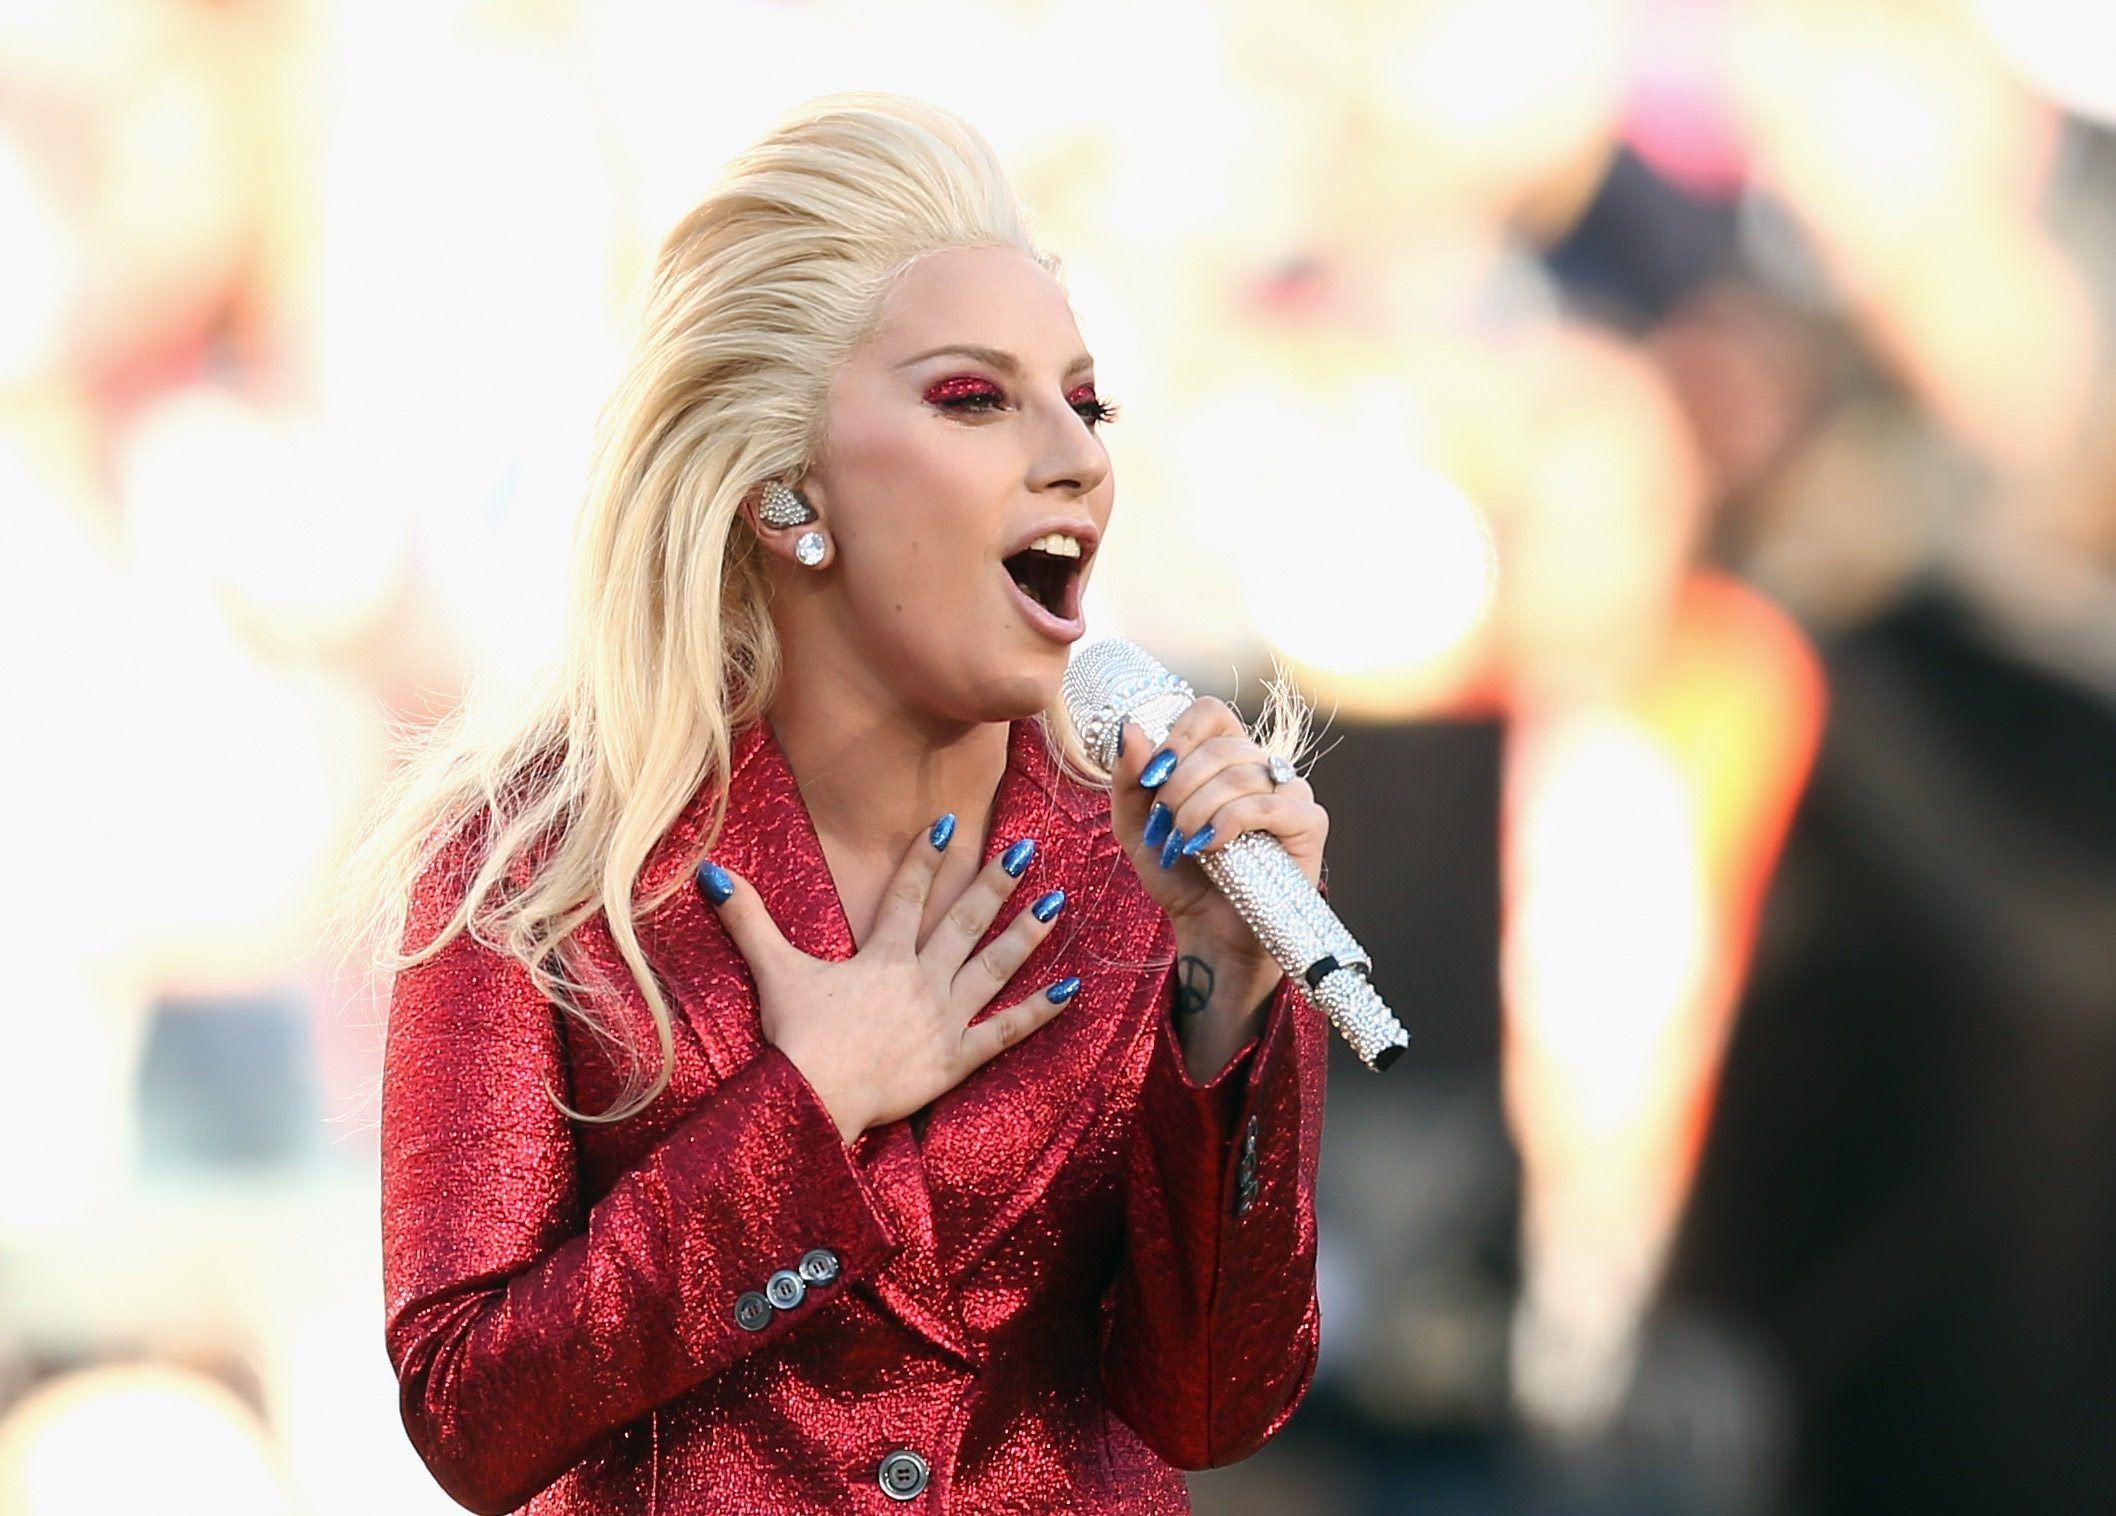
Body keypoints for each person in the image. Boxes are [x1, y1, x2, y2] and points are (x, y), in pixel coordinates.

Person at [343, 92, 1334, 1514]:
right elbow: (469, 1421)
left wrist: (1230, 991)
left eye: (1085, 399)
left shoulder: (1142, 864)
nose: (1079, 455)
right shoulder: (538, 871)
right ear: (786, 487)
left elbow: (1212, 1406)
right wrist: (805, 1118)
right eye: (975, 397)